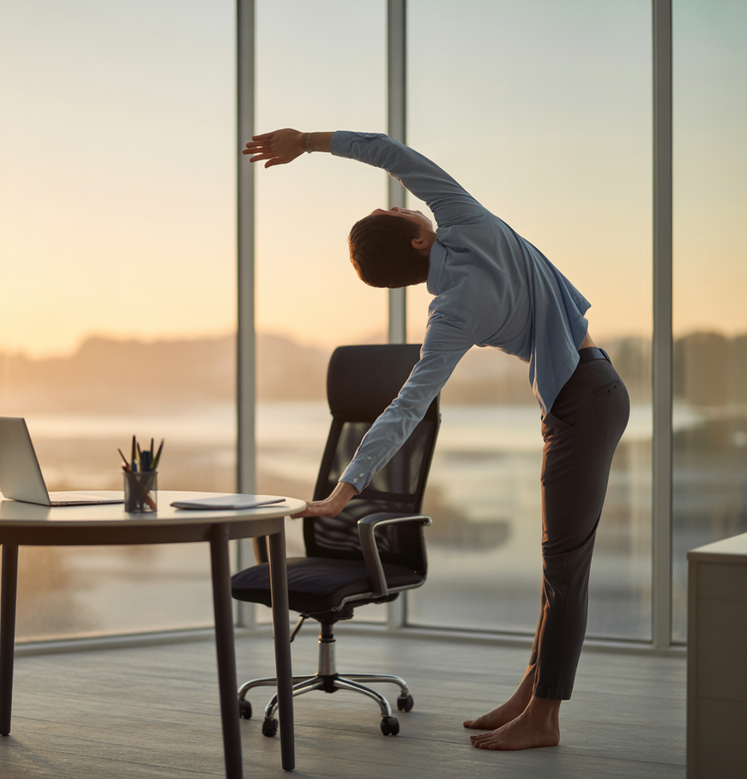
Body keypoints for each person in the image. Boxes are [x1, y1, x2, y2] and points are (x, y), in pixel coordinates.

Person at [243, 128, 630, 751]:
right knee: (560, 567)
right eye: (392, 210)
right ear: (420, 238)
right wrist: (307, 142)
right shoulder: (463, 220)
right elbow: (392, 153)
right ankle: (535, 702)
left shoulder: (449, 308)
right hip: (585, 395)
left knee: (563, 568)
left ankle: (543, 712)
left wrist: (346, 489)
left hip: (583, 401)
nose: (399, 202)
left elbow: (408, 404)